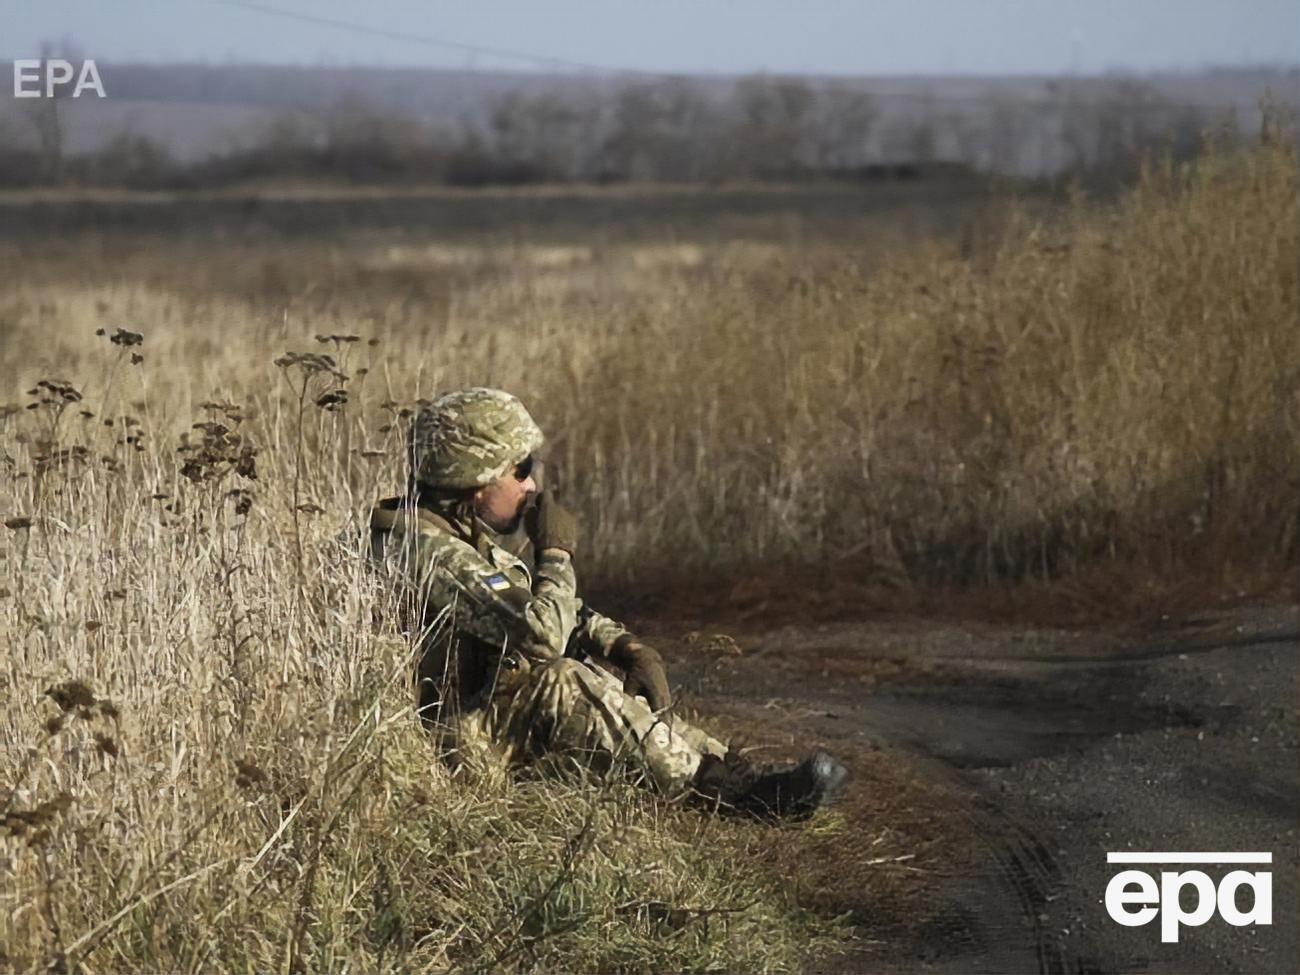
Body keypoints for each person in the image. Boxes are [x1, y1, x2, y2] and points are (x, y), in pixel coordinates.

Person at [368, 386, 847, 819]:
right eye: (520, 469)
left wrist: (625, 647)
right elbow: (541, 636)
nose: (531, 484)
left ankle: (731, 771)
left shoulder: (457, 534)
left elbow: (537, 605)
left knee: (587, 669)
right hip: (451, 746)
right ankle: (728, 797)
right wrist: (555, 555)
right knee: (561, 678)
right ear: (477, 480)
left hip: (477, 718)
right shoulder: (421, 550)